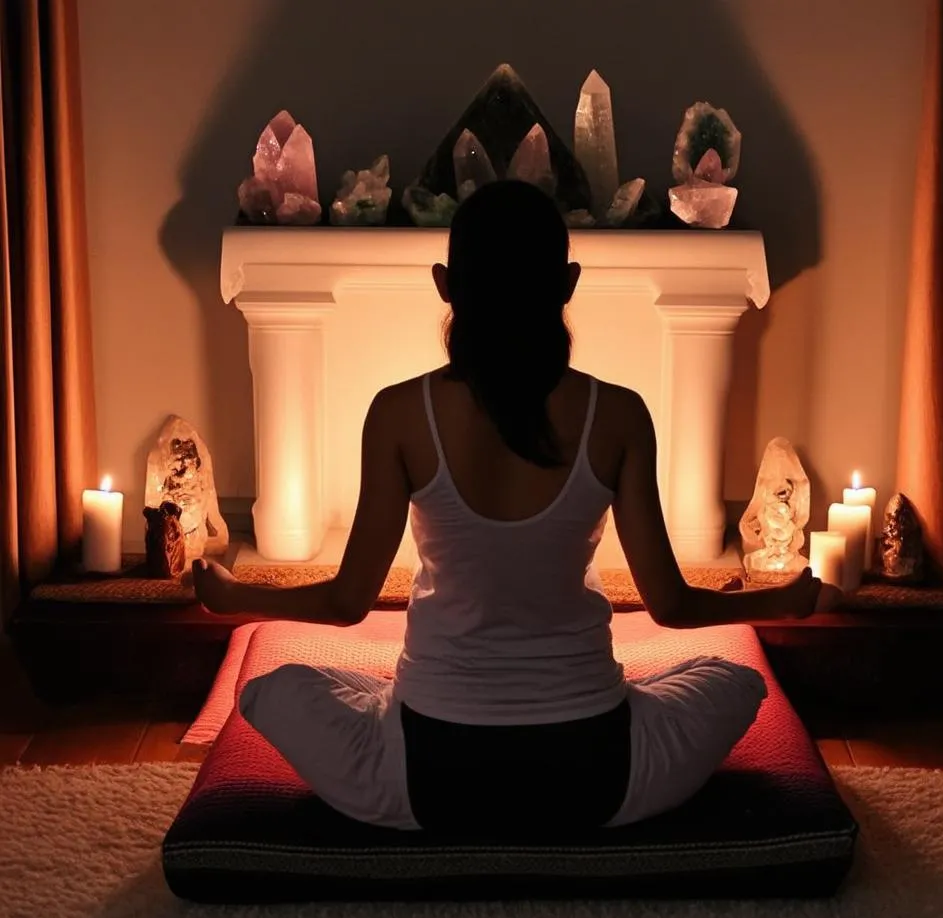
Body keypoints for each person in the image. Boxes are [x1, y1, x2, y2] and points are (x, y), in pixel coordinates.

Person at [193, 179, 821, 835]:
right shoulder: (620, 415)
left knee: (273, 686)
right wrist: (776, 600)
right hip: (599, 780)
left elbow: (347, 603)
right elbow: (674, 606)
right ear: (568, 282)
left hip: (426, 781)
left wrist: (236, 598)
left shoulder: (399, 413)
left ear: (445, 283)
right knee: (732, 678)